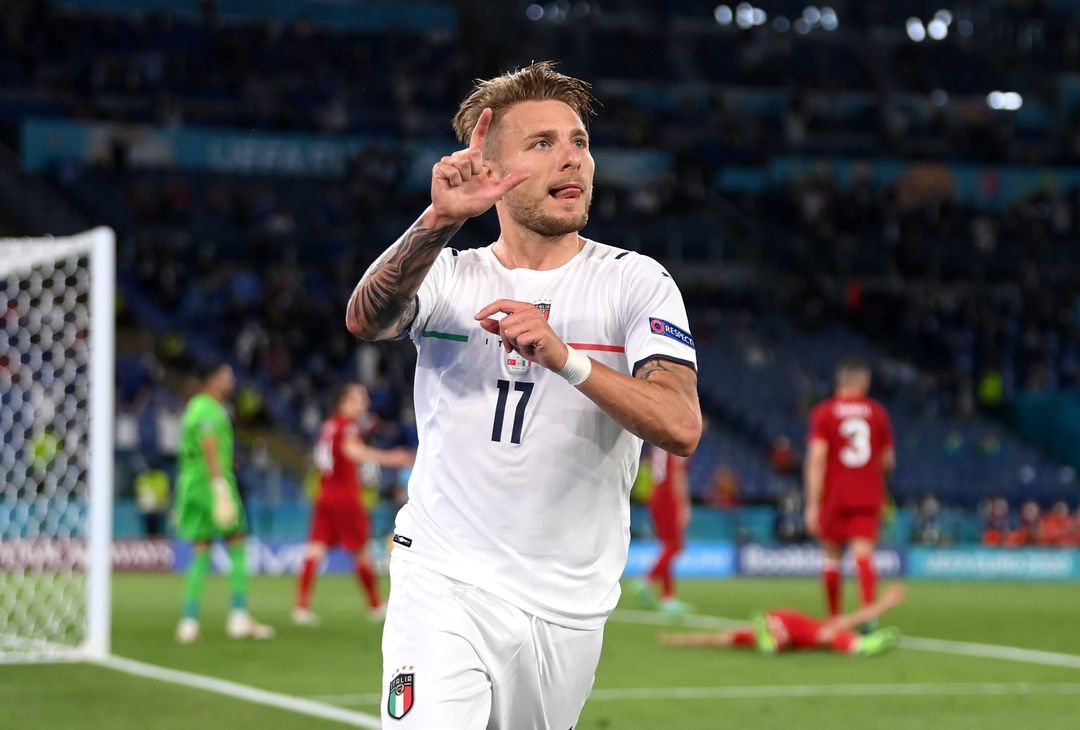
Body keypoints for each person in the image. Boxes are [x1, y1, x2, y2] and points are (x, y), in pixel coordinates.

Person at [345, 61, 701, 728]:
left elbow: (681, 425)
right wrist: (436, 220)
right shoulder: (450, 275)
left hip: (569, 603)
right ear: (489, 168)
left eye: (579, 142)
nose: (571, 159)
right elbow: (367, 319)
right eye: (542, 144)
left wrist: (568, 361)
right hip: (445, 577)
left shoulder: (635, 282)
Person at [293, 382, 414, 625]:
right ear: (345, 401)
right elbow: (352, 451)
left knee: (315, 549)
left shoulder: (329, 425)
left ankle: (301, 607)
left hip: (325, 493)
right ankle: (375, 605)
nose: (365, 403)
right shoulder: (347, 426)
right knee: (362, 552)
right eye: (360, 398)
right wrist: (391, 458)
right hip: (346, 496)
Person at [174, 361, 273, 644]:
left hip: (192, 484)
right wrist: (219, 486)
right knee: (237, 542)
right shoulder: (209, 408)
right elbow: (208, 444)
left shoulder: (194, 406)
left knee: (201, 550)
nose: (231, 380)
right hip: (211, 482)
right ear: (212, 380)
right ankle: (239, 617)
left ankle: (189, 621)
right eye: (226, 376)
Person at [804, 357, 895, 618]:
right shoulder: (877, 412)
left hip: (834, 495)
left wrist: (812, 504)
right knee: (863, 555)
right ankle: (867, 615)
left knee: (832, 557)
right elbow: (888, 461)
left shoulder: (824, 412)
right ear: (863, 381)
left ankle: (835, 617)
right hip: (867, 494)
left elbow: (816, 459)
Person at [660, 584, 905, 657]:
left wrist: (679, 639)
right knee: (830, 633)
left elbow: (717, 638)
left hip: (777, 623)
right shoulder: (813, 626)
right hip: (790, 626)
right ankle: (859, 645)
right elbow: (853, 618)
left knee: (737, 637)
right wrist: (887, 602)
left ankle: (771, 640)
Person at [639, 445, 693, 613]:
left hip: (655, 494)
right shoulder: (676, 442)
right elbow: (677, 474)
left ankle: (668, 597)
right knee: (675, 546)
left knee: (667, 546)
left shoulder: (658, 444)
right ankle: (647, 580)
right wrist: (683, 504)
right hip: (668, 496)